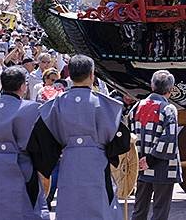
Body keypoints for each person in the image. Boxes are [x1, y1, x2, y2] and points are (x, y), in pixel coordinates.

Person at [27, 54, 130, 220]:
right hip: (97, 162)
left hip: (69, 162)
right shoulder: (105, 104)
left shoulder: (55, 104)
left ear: (70, 75)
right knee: (101, 206)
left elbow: (42, 141)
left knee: (71, 207)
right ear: (92, 74)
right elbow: (121, 139)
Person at [0, 66, 49, 219]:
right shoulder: (30, 108)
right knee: (26, 208)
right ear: (22, 86)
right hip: (22, 163)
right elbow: (39, 144)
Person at [129, 70, 182, 220]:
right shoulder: (168, 109)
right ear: (171, 90)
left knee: (139, 210)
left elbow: (131, 136)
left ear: (152, 86)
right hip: (163, 167)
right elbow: (169, 138)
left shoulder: (137, 107)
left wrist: (141, 159)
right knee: (160, 211)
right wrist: (151, 159)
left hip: (140, 166)